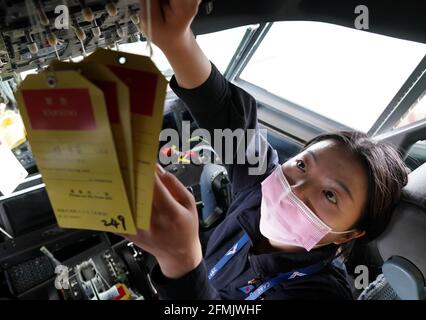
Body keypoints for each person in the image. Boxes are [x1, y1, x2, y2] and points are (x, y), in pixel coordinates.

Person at [125, 0, 408, 299]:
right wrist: (177, 41)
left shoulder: (319, 295)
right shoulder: (261, 192)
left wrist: (181, 261)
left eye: (330, 195)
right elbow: (229, 121)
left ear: (351, 234)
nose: (294, 190)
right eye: (302, 166)